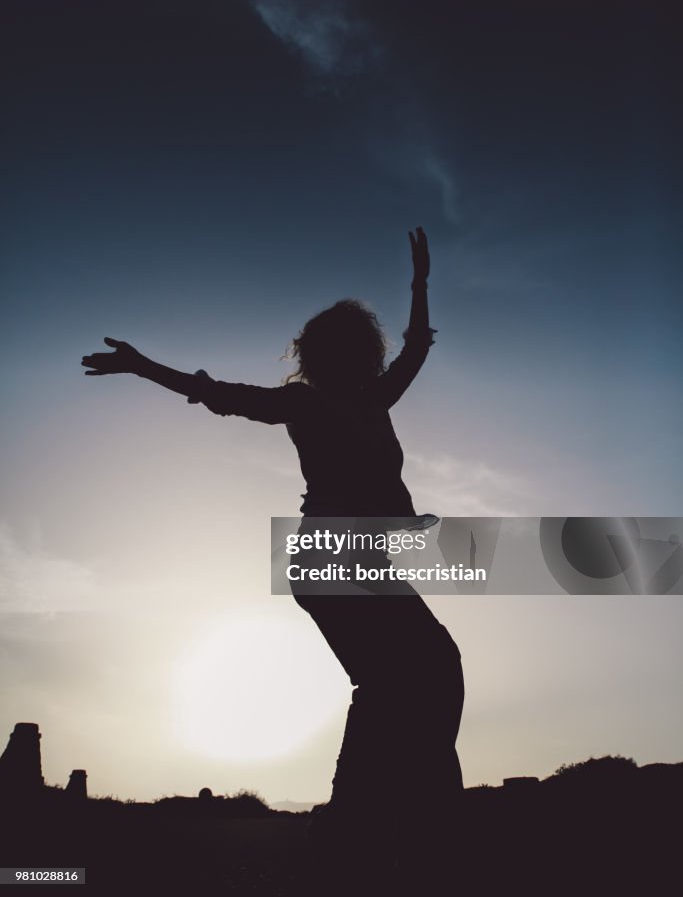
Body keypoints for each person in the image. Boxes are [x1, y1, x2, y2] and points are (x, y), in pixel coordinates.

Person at [81, 226, 464, 885]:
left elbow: (416, 347)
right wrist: (143, 366)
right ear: (325, 357)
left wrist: (420, 284)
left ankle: (371, 827)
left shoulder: (376, 399)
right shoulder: (301, 404)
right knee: (416, 673)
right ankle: (379, 830)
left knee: (406, 683)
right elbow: (226, 398)